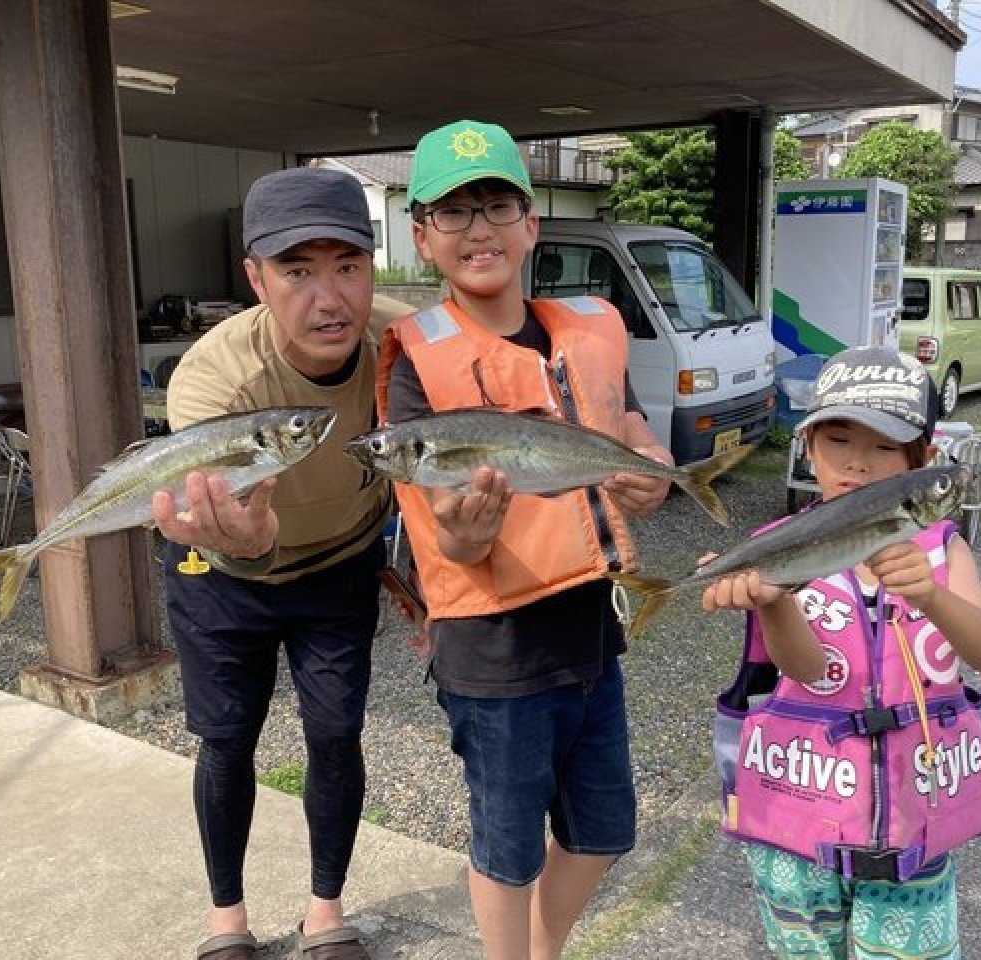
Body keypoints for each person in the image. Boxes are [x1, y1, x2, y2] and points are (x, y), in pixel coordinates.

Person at [375, 119, 671, 960]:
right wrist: (466, 539)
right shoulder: (415, 365)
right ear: (424, 236)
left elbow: (633, 425)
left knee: (605, 829)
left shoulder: (588, 328)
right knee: (506, 851)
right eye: (453, 212)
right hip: (492, 648)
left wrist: (649, 462)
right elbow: (446, 540)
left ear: (531, 224)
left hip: (590, 629)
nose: (479, 229)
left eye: (497, 204)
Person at [151, 166, 409, 960]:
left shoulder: (403, 340)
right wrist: (244, 542)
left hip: (339, 567)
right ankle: (227, 922)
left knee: (336, 735)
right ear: (256, 277)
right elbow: (216, 521)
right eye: (298, 270)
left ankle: (325, 915)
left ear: (373, 266)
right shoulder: (214, 377)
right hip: (223, 576)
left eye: (348, 266)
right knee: (227, 737)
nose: (328, 297)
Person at [704, 346, 981, 960]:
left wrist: (930, 595)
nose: (857, 464)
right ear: (807, 449)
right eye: (838, 440)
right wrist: (770, 601)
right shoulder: (782, 547)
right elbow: (808, 670)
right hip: (800, 816)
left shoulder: (941, 549)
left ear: (919, 460)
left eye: (883, 448)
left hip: (910, 825)